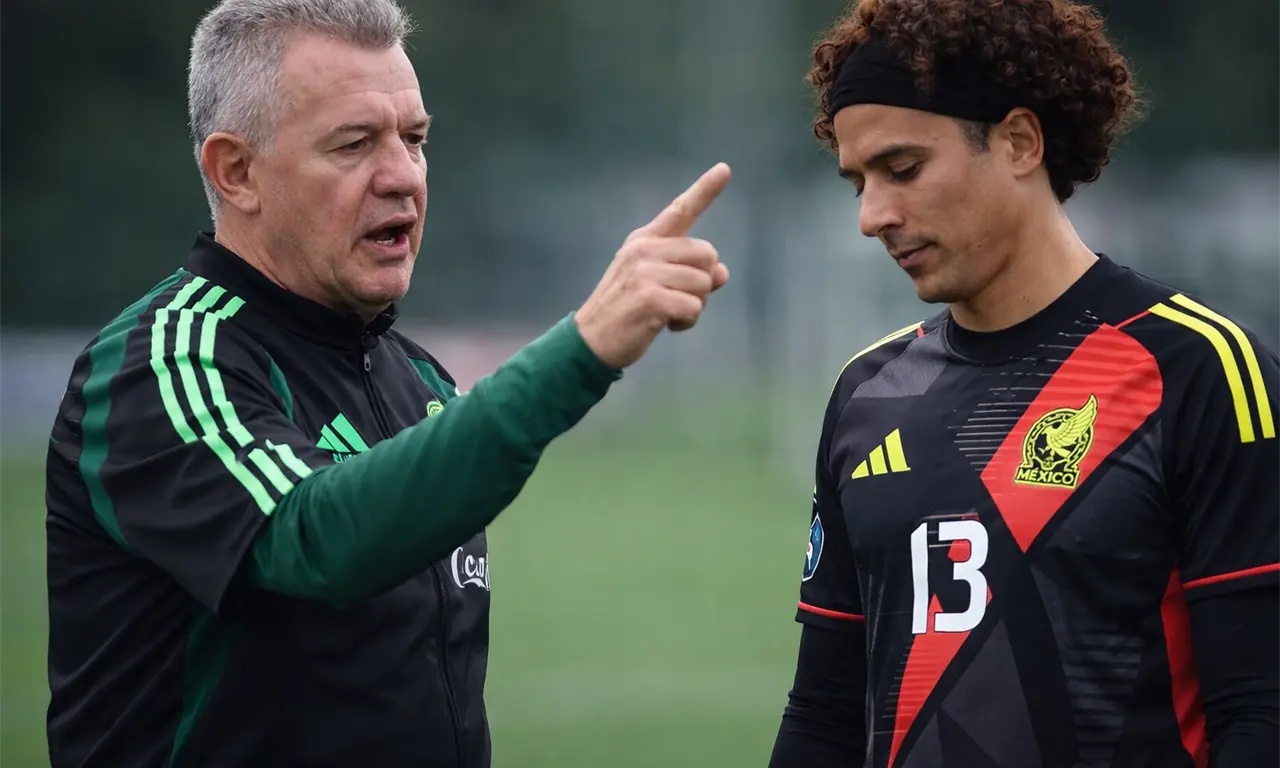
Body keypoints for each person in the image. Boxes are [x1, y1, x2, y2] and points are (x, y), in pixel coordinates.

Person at [43, 0, 731, 765]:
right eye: (354, 144)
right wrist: (582, 350)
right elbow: (315, 541)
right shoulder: (165, 362)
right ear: (236, 172)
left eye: (415, 139)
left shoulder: (420, 383)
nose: (403, 175)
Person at [768, 0, 1280, 766]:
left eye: (903, 170)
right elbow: (823, 713)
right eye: (858, 182)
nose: (873, 216)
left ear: (1018, 142)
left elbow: (1260, 710)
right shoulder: (867, 395)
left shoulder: (1196, 368)